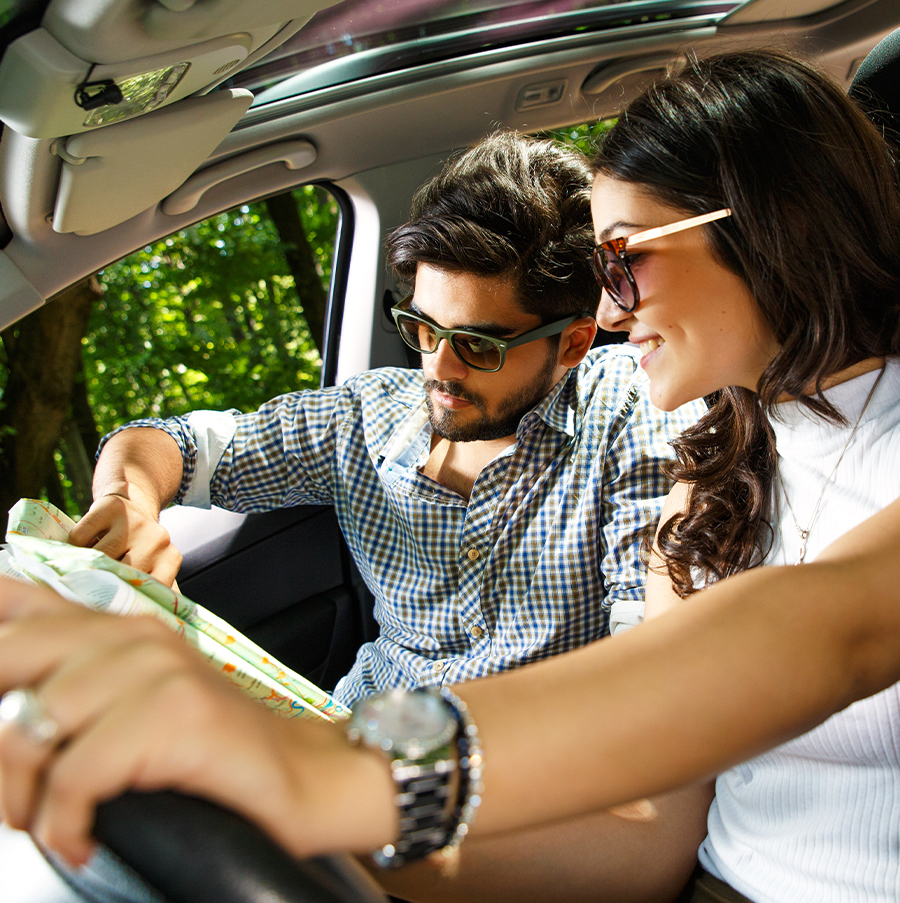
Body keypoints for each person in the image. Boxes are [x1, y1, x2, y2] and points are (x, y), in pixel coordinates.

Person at [3, 49, 900, 903]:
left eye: (624, 257)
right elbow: (670, 759)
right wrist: (322, 783)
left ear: (769, 229)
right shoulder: (717, 441)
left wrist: (334, 776)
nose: (605, 308)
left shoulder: (656, 426)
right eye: (422, 328)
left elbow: (819, 631)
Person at [68, 130, 701, 709]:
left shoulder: (627, 410)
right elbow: (169, 443)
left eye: (479, 345)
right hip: (355, 735)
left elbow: (641, 661)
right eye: (423, 328)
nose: (439, 369)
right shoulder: (368, 415)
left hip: (529, 777)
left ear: (573, 342)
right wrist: (128, 502)